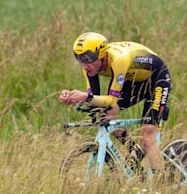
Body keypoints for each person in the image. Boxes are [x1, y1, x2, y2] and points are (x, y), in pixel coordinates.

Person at [58, 32, 171, 173]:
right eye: (80, 59)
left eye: (88, 60)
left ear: (102, 55)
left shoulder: (118, 60)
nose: (85, 66)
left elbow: (109, 101)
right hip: (134, 79)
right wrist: (71, 98)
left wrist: (85, 97)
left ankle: (163, 182)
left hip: (157, 78)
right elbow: (95, 100)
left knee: (147, 137)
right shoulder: (88, 67)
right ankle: (134, 150)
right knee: (106, 114)